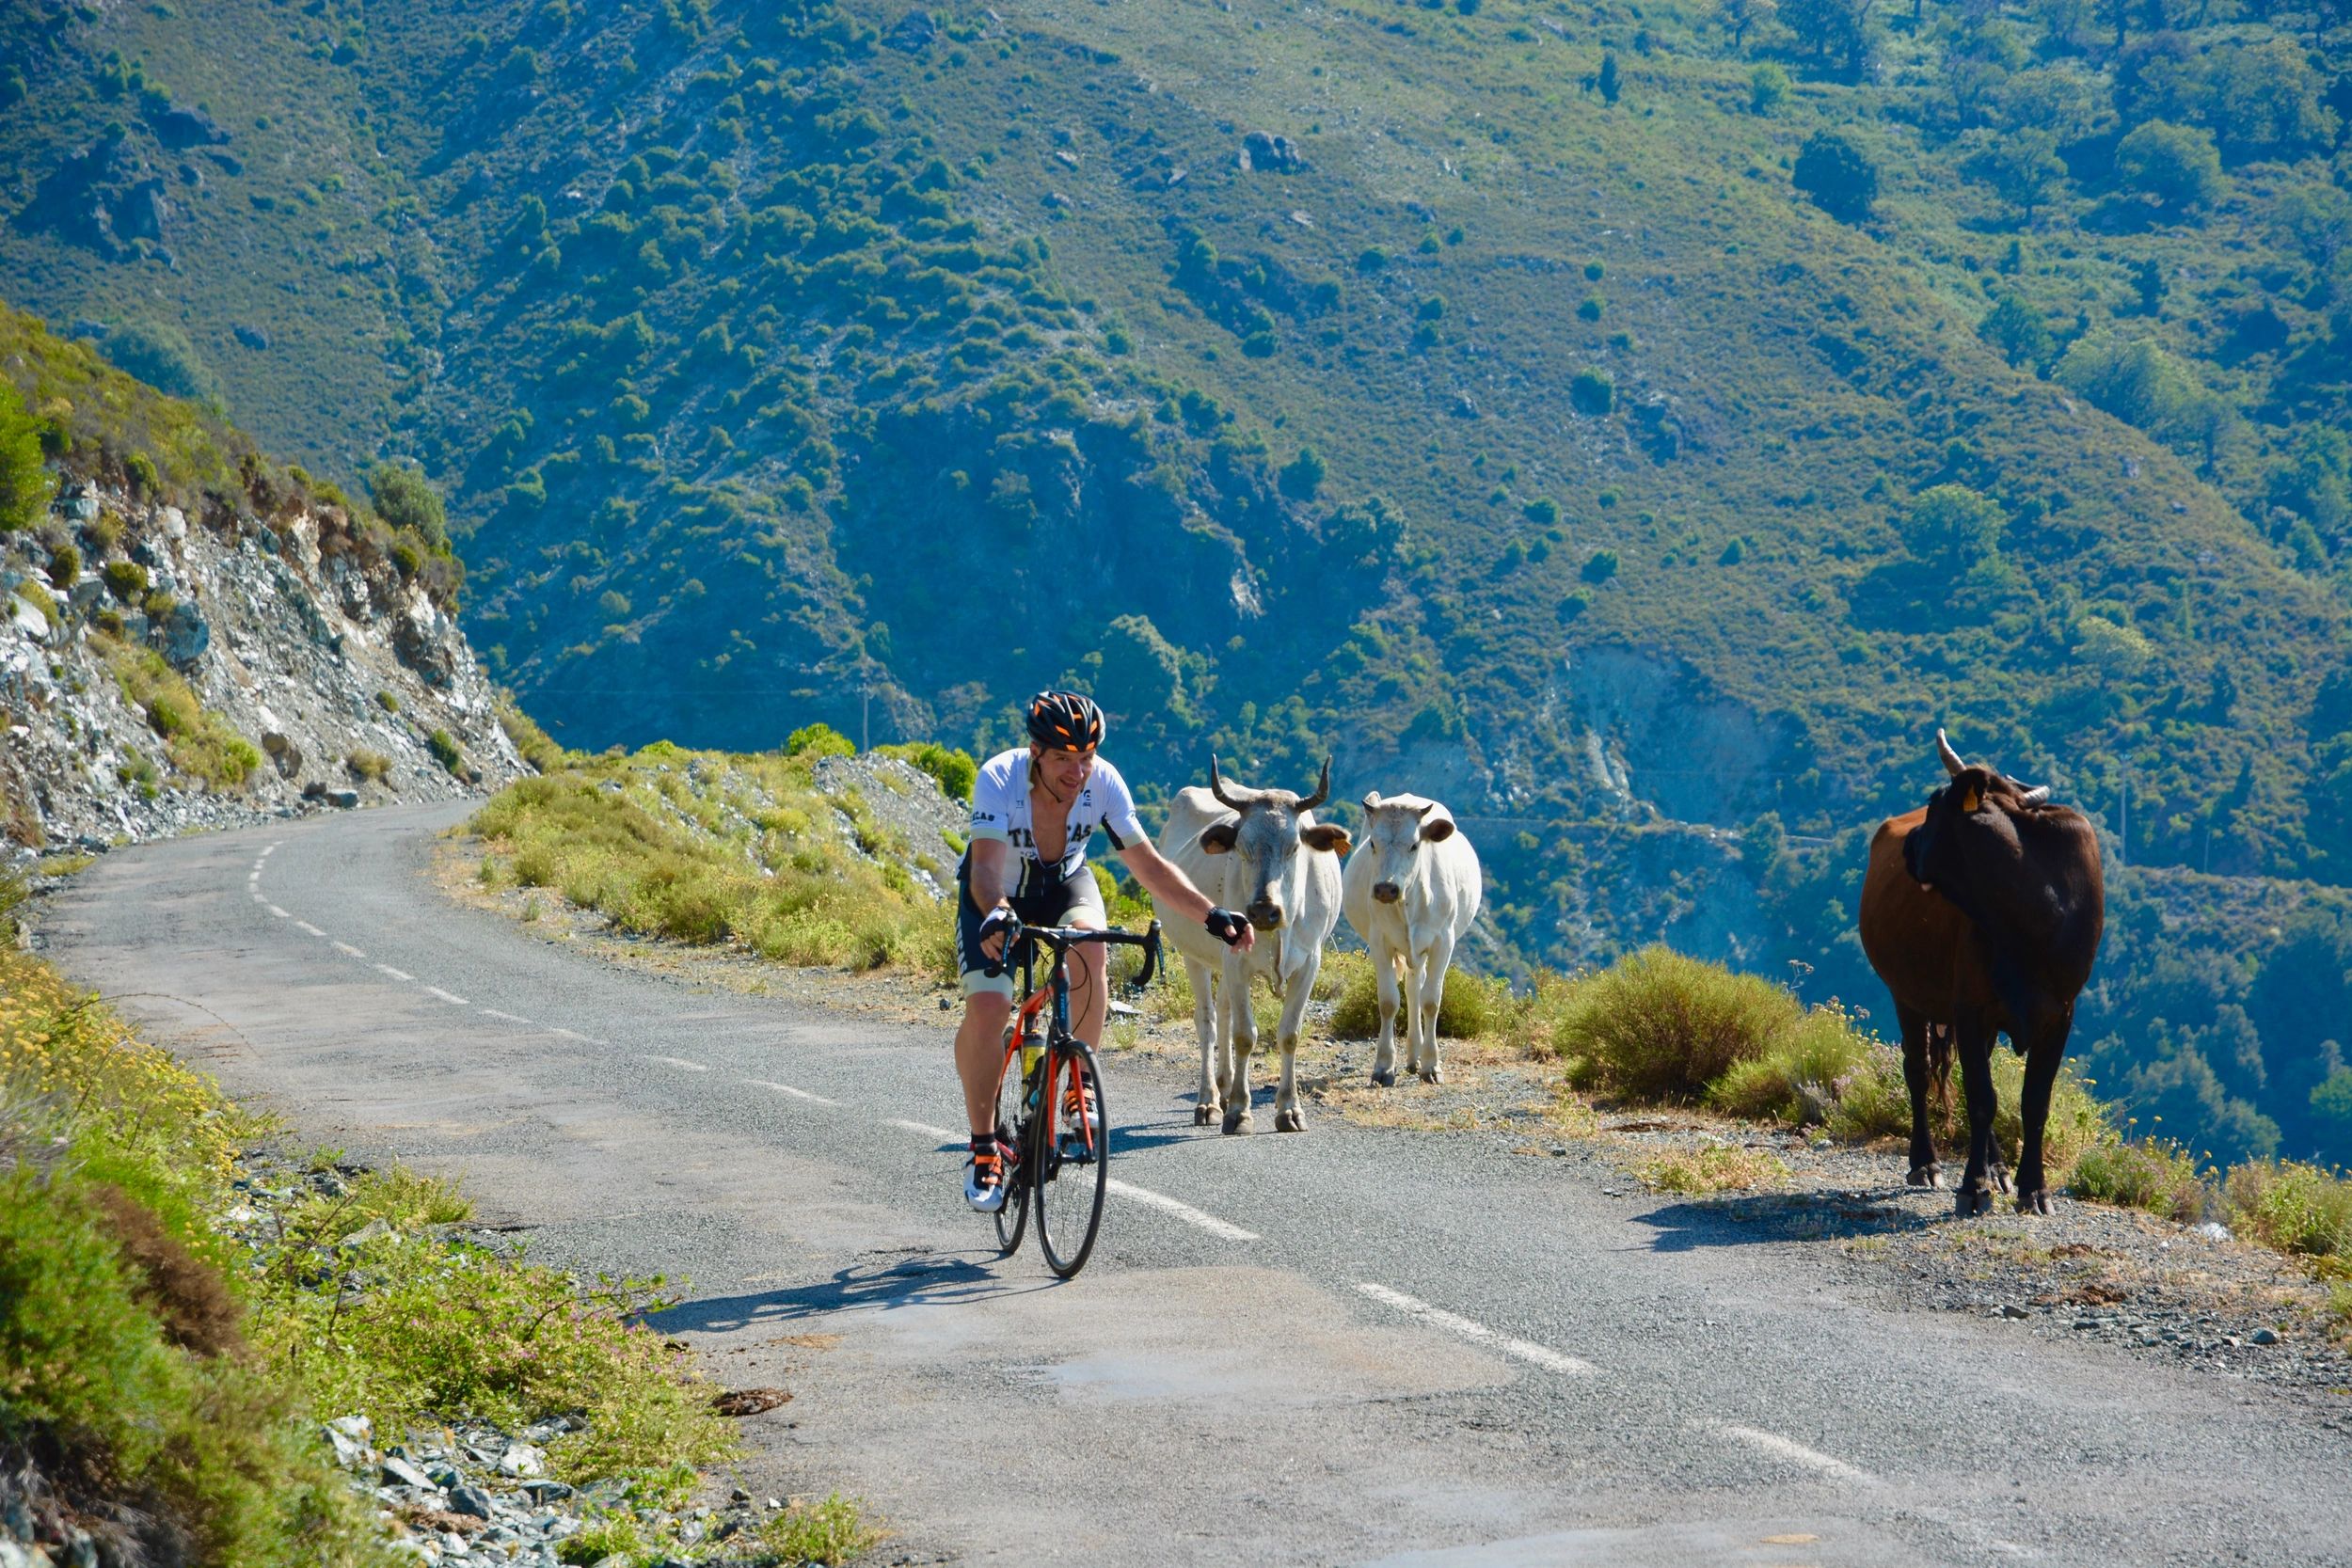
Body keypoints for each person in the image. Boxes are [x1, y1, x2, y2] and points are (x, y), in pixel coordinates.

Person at [955, 689, 1253, 1212]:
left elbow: (1151, 867)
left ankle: (1079, 1083)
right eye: (1064, 759)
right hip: (996, 894)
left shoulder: (1105, 783)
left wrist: (1212, 915)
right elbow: (983, 870)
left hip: (1066, 885)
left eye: (1086, 758)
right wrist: (998, 912)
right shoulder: (999, 778)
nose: (1078, 773)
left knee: (1091, 947)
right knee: (989, 1006)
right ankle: (984, 1145)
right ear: (1035, 753)